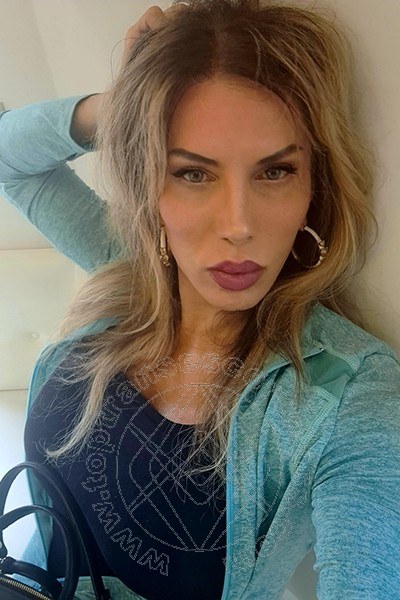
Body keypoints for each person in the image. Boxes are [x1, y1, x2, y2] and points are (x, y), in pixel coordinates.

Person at [1, 1, 399, 599]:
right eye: (192, 173)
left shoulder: (345, 390)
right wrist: (124, 107)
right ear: (148, 179)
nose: (238, 226)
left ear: (315, 184)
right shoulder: (128, 269)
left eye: (274, 172)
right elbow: (11, 160)